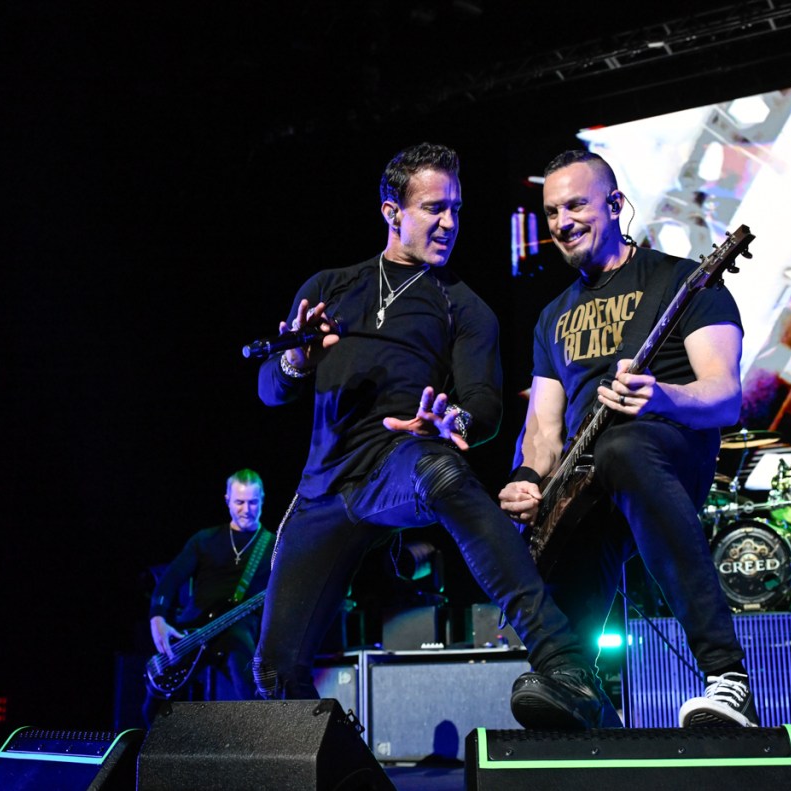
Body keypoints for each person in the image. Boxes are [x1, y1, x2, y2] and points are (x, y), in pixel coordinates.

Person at [250, 142, 603, 730]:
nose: (449, 223)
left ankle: (563, 661)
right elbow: (269, 389)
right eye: (434, 208)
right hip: (322, 491)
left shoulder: (464, 307)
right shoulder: (330, 287)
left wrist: (452, 423)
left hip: (399, 464)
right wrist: (298, 361)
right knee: (273, 674)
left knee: (441, 469)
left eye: (456, 210)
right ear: (392, 211)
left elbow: (485, 408)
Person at [497, 149, 758, 728]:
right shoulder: (551, 317)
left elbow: (724, 395)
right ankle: (575, 677)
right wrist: (525, 478)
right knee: (563, 515)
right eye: (551, 211)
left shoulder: (684, 281)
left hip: (669, 449)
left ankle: (727, 676)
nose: (561, 221)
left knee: (622, 448)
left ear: (616, 205)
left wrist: (662, 396)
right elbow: (543, 426)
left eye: (576, 205)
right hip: (589, 471)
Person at [144, 469, 273, 722]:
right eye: (239, 502)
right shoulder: (204, 539)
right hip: (194, 629)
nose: (247, 509)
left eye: (253, 502)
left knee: (251, 686)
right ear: (227, 500)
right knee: (155, 705)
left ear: (263, 499)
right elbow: (170, 580)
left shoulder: (273, 546)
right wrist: (157, 617)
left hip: (239, 628)